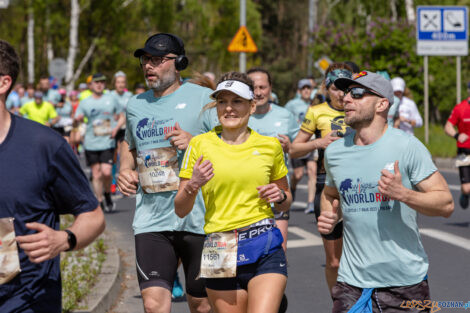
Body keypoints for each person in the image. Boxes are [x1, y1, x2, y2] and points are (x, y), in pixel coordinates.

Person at [318, 71, 453, 312]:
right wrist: (331, 217)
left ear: (382, 104)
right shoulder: (335, 152)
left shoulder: (407, 146)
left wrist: (403, 194)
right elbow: (330, 193)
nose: (346, 98)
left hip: (404, 283)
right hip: (352, 282)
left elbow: (445, 204)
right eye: (345, 93)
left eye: (357, 94)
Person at [0, 39, 105, 313]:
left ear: (4, 83)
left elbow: (93, 216)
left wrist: (65, 239)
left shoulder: (44, 145)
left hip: (27, 301)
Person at [175, 71, 292, 313]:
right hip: (220, 246)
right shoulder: (199, 144)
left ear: (252, 106)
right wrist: (193, 184)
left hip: (264, 243)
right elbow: (180, 208)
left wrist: (279, 196)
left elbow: (285, 201)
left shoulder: (270, 146)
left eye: (236, 101)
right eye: (222, 102)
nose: (228, 108)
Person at [117, 33, 213, 313]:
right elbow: (129, 145)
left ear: (179, 62)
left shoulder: (204, 98)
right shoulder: (136, 104)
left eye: (157, 60)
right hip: (151, 219)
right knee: (153, 305)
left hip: (201, 219)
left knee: (203, 305)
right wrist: (125, 168)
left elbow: (229, 144)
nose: (149, 66)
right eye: (146, 59)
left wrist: (194, 141)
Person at [290, 62, 353, 295]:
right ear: (326, 88)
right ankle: (339, 303)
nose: (341, 94)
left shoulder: (358, 109)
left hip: (358, 188)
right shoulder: (316, 112)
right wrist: (319, 142)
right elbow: (295, 150)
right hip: (327, 187)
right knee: (335, 261)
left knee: (360, 257)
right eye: (335, 88)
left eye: (346, 88)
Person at [75, 73, 125, 213]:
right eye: (96, 82)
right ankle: (99, 200)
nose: (99, 85)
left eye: (102, 82)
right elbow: (76, 119)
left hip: (107, 141)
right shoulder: (85, 102)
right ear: (91, 85)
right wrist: (77, 120)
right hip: (91, 143)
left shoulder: (111, 99)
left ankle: (108, 194)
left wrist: (116, 128)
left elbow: (122, 116)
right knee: (96, 174)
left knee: (107, 172)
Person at [285, 78, 317, 214]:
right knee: (298, 175)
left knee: (312, 171)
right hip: (297, 142)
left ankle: (310, 203)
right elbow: (285, 118)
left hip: (312, 142)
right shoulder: (292, 104)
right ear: (299, 91)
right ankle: (293, 186)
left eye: (308, 88)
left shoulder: (315, 103)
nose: (306, 91)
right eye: (303, 88)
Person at [444, 81, 470, 209]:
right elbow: (448, 126)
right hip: (464, 153)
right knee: (466, 188)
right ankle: (465, 194)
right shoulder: (460, 108)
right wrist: (457, 135)